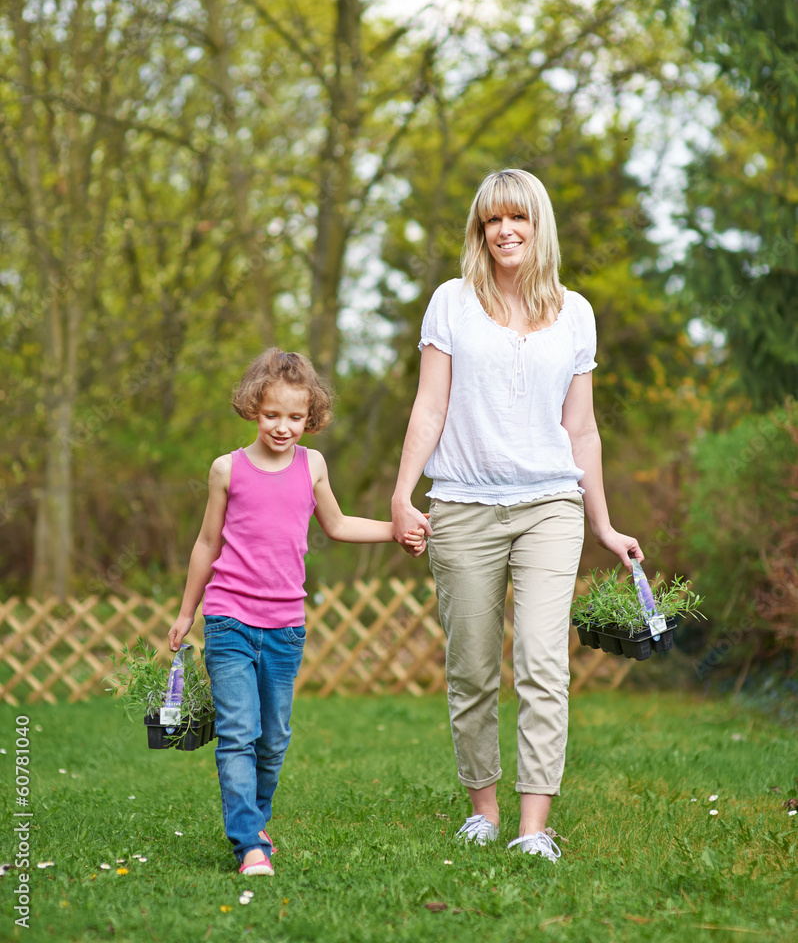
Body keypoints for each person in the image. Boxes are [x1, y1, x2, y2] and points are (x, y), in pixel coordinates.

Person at [391, 169, 643, 863]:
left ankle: (534, 827)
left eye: (518, 219)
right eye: (492, 220)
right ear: (480, 230)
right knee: (471, 666)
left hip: (549, 507)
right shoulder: (451, 304)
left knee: (541, 661)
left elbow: (583, 429)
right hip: (463, 506)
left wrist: (603, 522)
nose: (505, 231)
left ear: (539, 227)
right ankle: (483, 809)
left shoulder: (576, 312)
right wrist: (402, 491)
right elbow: (430, 406)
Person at [169, 347, 424, 876]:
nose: (282, 428)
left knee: (273, 738)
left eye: (295, 417)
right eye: (271, 415)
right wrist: (185, 612)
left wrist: (395, 530)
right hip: (229, 620)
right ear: (251, 410)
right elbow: (206, 543)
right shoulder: (227, 469)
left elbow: (337, 524)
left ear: (312, 417)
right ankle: (248, 845)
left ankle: (255, 822)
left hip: (286, 627)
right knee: (239, 731)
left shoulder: (313, 465)